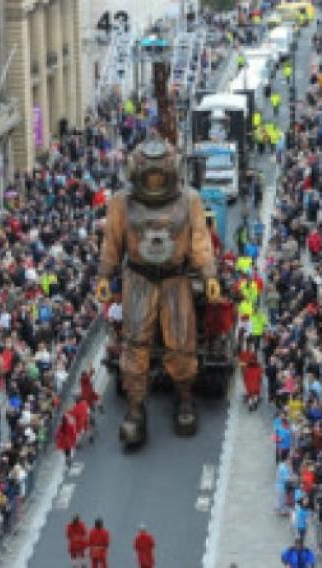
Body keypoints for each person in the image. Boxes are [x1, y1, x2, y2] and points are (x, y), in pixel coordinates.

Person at [96, 135, 220, 447]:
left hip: (175, 280)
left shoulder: (189, 200)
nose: (153, 183)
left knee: (181, 343)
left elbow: (200, 241)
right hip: (138, 279)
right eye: (148, 177)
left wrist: (208, 274)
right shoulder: (121, 203)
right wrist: (104, 274)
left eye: (158, 177)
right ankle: (136, 411)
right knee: (135, 345)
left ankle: (185, 399)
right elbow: (112, 242)